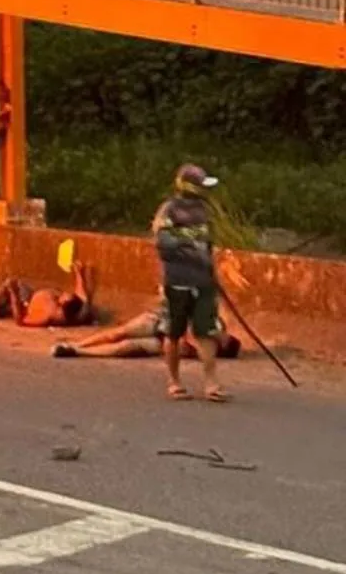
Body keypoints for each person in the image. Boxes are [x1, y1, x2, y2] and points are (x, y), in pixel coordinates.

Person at [152, 163, 228, 402]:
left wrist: (214, 271)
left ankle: (211, 383)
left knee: (206, 331)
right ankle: (174, 382)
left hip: (204, 280)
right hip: (177, 281)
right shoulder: (169, 211)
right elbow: (164, 245)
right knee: (174, 332)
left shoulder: (206, 212)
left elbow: (209, 245)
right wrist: (188, 241)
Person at [52, 295, 243, 360]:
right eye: (224, 336)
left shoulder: (207, 350)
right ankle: (78, 343)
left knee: (125, 347)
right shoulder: (216, 322)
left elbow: (186, 341)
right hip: (158, 321)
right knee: (118, 333)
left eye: (222, 342)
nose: (220, 337)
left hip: (162, 341)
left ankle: (77, 351)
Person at [0, 261, 94, 328]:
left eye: (65, 295)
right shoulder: (80, 312)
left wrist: (14, 294)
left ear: (63, 303)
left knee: (10, 283)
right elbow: (82, 294)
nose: (65, 293)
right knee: (16, 284)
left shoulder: (49, 315)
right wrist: (79, 273)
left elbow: (21, 320)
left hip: (24, 303)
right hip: (33, 295)